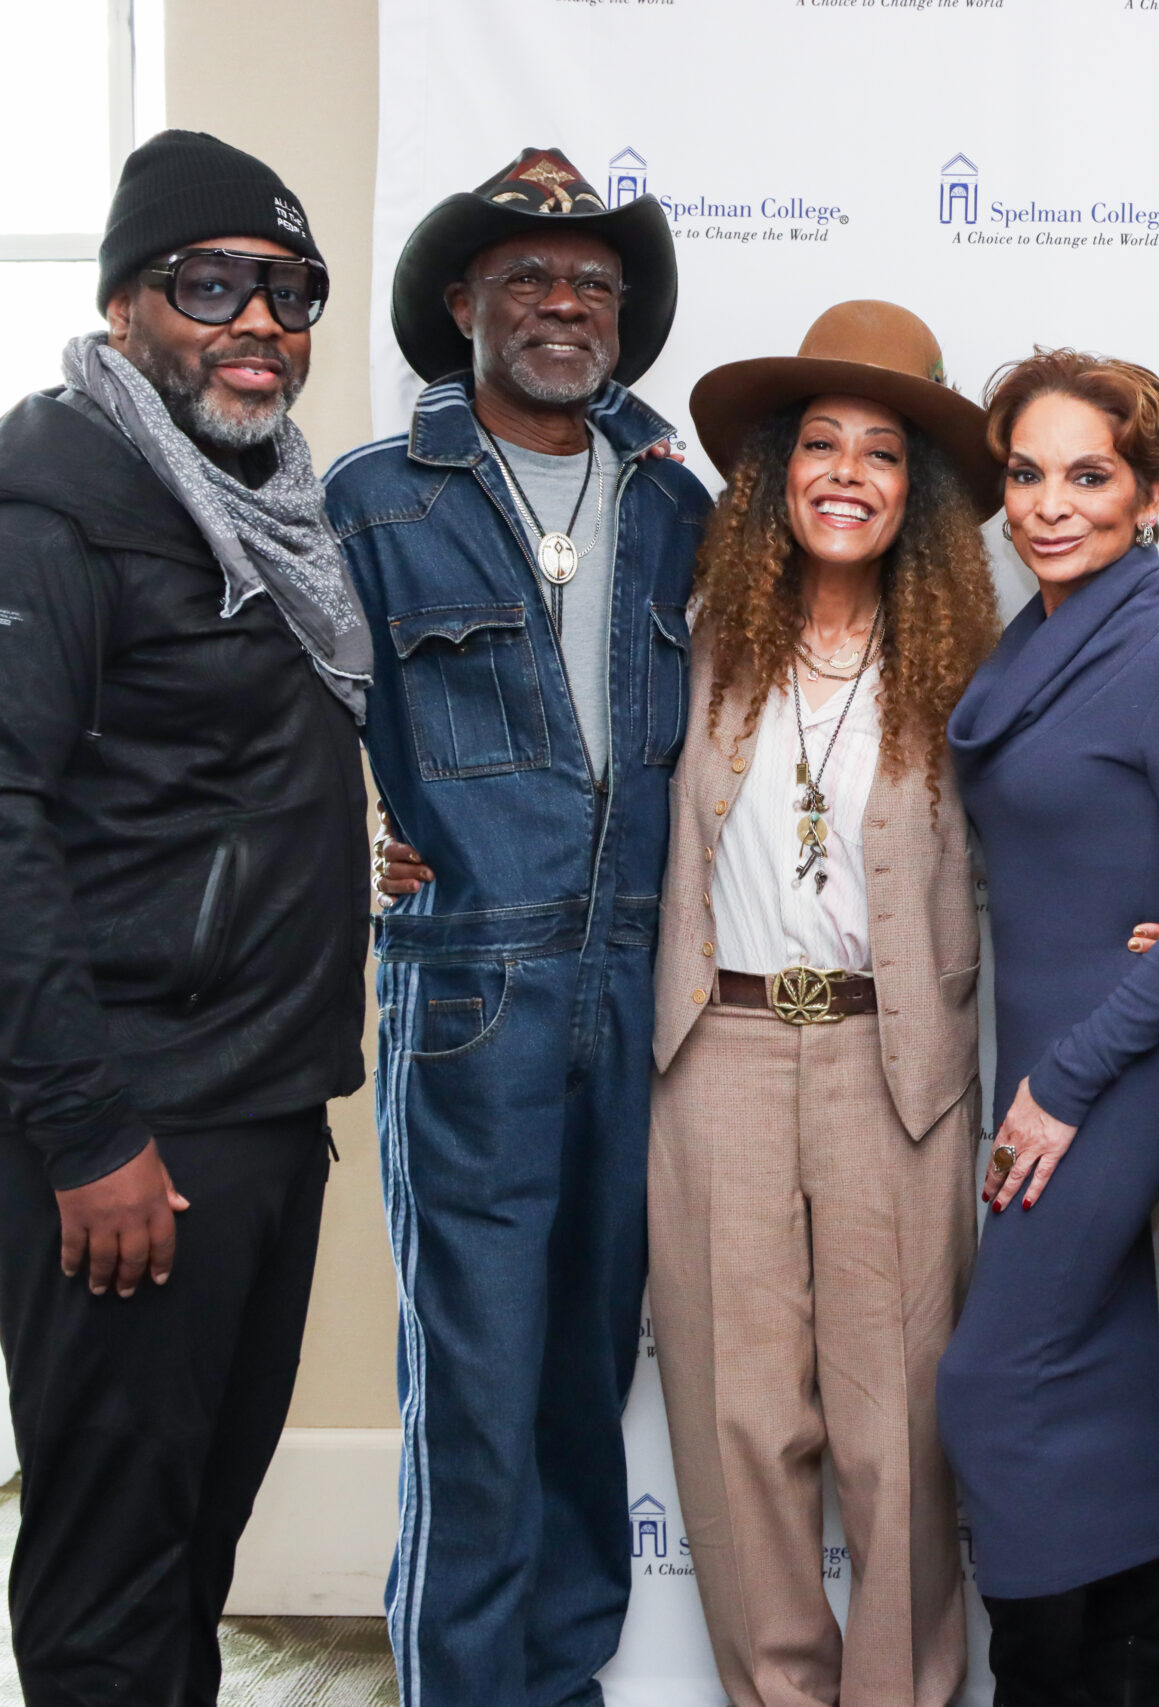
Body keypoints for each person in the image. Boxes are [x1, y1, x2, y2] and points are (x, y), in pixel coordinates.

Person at [325, 148, 707, 1707]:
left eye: (594, 286)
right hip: (473, 983)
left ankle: (561, 1683)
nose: (564, 304)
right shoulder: (374, 496)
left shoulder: (682, 502)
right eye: (530, 279)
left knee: (579, 1388)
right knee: (475, 1391)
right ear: (462, 303)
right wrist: (338, 834)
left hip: (639, 977)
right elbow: (292, 720)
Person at [0, 128, 367, 1707]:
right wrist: (87, 1132)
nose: (257, 321)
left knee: (192, 1547)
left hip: (263, 1108)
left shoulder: (259, 505)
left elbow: (219, 772)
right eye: (208, 281)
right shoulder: (60, 499)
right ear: (124, 301)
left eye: (289, 288)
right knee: (109, 1572)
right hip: (136, 1124)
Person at [636, 301, 1000, 1707]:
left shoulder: (968, 666)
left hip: (889, 1060)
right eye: (822, 446)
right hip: (713, 1048)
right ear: (778, 472)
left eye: (885, 455)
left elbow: (1064, 828)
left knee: (897, 1430)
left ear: (918, 497)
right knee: (737, 1421)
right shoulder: (691, 634)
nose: (848, 474)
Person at [936, 348, 1159, 1706]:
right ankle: (1135, 1680)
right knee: (1103, 1373)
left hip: (1107, 1068)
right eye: (1025, 474)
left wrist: (1064, 1079)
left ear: (1151, 492)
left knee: (994, 1383)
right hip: (1051, 1053)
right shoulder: (1039, 639)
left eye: (1089, 475)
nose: (1049, 506)